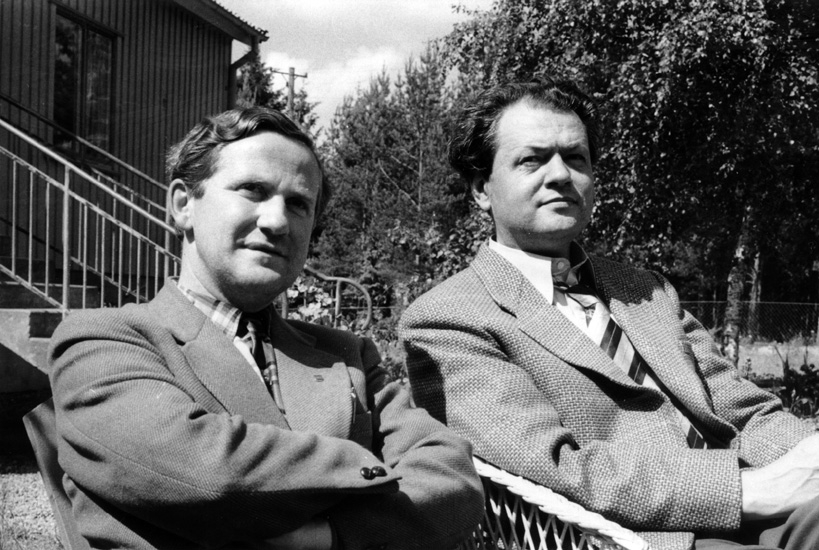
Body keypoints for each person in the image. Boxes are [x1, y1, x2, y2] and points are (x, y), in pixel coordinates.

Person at [398, 79, 819, 550]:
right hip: (640, 538)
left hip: (763, 507)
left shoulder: (645, 290)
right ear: (481, 189)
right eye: (532, 160)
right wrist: (747, 491)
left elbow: (745, 411)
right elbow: (556, 467)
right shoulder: (447, 319)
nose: (561, 175)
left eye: (575, 158)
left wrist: (806, 457)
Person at [44, 107, 484, 550]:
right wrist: (375, 473)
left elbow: (453, 482)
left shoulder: (348, 355)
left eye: (298, 204)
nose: (277, 221)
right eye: (253, 190)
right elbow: (207, 471)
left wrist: (329, 536)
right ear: (183, 205)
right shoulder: (103, 340)